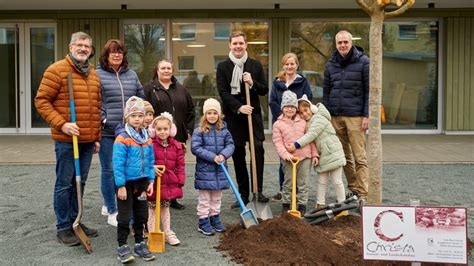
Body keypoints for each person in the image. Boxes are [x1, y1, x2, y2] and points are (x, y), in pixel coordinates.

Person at [34, 31, 100, 247]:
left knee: (79, 183)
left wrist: (96, 137)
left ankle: (76, 221)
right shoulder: (57, 70)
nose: (83, 49)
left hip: (88, 140)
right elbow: (42, 101)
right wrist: (62, 123)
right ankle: (63, 227)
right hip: (66, 139)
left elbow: (95, 108)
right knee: (65, 184)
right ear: (71, 47)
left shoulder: (92, 73)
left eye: (87, 46)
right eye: (79, 45)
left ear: (91, 50)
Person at [216, 31, 270, 209]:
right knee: (238, 154)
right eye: (235, 43)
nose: (238, 46)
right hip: (234, 117)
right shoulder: (223, 67)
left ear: (246, 45)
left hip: (253, 116)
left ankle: (258, 191)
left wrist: (252, 82)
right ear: (230, 46)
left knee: (258, 149)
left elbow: (264, 89)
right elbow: (223, 92)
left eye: (241, 43)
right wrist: (239, 107)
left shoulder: (254, 65)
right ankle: (244, 194)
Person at [96, 39, 145, 226]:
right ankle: (111, 208)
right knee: (109, 170)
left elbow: (140, 97)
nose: (117, 55)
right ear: (106, 55)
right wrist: (104, 118)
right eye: (113, 52)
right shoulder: (98, 74)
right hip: (108, 131)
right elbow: (95, 100)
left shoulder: (131, 75)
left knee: (125, 169)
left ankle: (119, 202)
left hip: (128, 132)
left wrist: (141, 116)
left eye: (120, 52)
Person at [323, 30, 369, 203]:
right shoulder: (330, 65)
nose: (342, 45)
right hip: (336, 117)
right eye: (339, 43)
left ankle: (363, 194)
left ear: (351, 43)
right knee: (344, 157)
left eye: (345, 42)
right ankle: (353, 189)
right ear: (336, 44)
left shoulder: (364, 62)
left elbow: (369, 91)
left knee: (360, 157)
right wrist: (327, 116)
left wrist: (366, 115)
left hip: (356, 117)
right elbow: (326, 91)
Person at [143, 59, 195, 210]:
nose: (166, 71)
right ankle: (155, 194)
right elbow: (143, 110)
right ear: (157, 71)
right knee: (158, 164)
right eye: (163, 68)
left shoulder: (181, 89)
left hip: (176, 137)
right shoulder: (149, 89)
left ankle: (172, 197)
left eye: (169, 68)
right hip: (155, 137)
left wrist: (188, 131)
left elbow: (191, 111)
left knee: (173, 166)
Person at [113, 96, 155, 263]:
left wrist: (150, 180)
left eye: (140, 115)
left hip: (142, 183)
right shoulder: (122, 138)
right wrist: (120, 185)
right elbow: (117, 164)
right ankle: (122, 246)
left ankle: (139, 243)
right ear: (126, 118)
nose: (137, 119)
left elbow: (151, 161)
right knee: (124, 216)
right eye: (133, 116)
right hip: (126, 184)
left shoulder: (147, 138)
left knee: (141, 215)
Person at [269, 52, 313, 201]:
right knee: (285, 159)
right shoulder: (277, 82)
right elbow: (273, 101)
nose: (289, 66)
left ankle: (299, 193)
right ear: (283, 65)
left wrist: (299, 117)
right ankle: (285, 190)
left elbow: (307, 101)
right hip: (283, 125)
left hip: (299, 124)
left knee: (301, 158)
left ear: (296, 65)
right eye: (287, 64)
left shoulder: (303, 82)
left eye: (292, 64)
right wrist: (282, 118)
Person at [290, 95, 347, 208]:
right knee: (322, 181)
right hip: (322, 154)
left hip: (333, 152)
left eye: (306, 110)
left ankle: (342, 204)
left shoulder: (318, 118)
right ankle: (320, 204)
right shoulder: (309, 122)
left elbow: (311, 135)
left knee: (337, 181)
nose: (304, 114)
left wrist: (296, 144)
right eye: (301, 113)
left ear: (311, 107)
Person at [191, 98, 235, 236]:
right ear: (205, 115)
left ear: (219, 114)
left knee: (216, 198)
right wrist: (212, 157)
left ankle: (214, 217)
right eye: (209, 113)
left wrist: (223, 155)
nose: (211, 116)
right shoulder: (199, 131)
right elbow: (195, 148)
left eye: (214, 113)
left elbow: (230, 145)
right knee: (205, 198)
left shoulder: (224, 131)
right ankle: (203, 221)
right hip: (205, 171)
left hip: (220, 171)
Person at [272, 91, 317, 215]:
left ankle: (302, 205)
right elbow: (277, 143)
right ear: (282, 108)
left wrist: (314, 154)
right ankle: (286, 204)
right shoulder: (278, 124)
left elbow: (310, 139)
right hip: (288, 159)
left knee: (303, 183)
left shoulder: (303, 122)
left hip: (305, 158)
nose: (290, 109)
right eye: (287, 106)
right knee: (288, 183)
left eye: (292, 107)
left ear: (296, 108)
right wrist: (285, 155)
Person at [147, 112, 185, 246]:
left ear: (171, 130)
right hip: (154, 183)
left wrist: (180, 180)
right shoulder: (149, 144)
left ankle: (168, 232)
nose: (162, 132)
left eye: (165, 129)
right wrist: (152, 168)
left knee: (165, 209)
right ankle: (152, 233)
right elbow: (145, 161)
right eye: (159, 129)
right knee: (152, 210)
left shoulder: (176, 146)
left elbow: (180, 165)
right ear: (153, 130)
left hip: (168, 183)